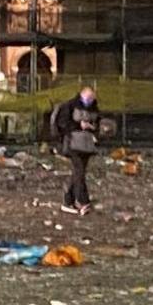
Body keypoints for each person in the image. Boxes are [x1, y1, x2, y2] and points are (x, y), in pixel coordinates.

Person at [51, 86, 103, 214]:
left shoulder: (94, 108)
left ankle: (68, 201)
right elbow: (63, 124)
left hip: (87, 145)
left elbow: (97, 124)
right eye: (88, 98)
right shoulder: (70, 106)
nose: (89, 100)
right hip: (73, 144)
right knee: (79, 172)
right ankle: (83, 201)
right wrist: (79, 125)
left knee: (78, 173)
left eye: (92, 98)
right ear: (81, 95)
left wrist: (94, 130)